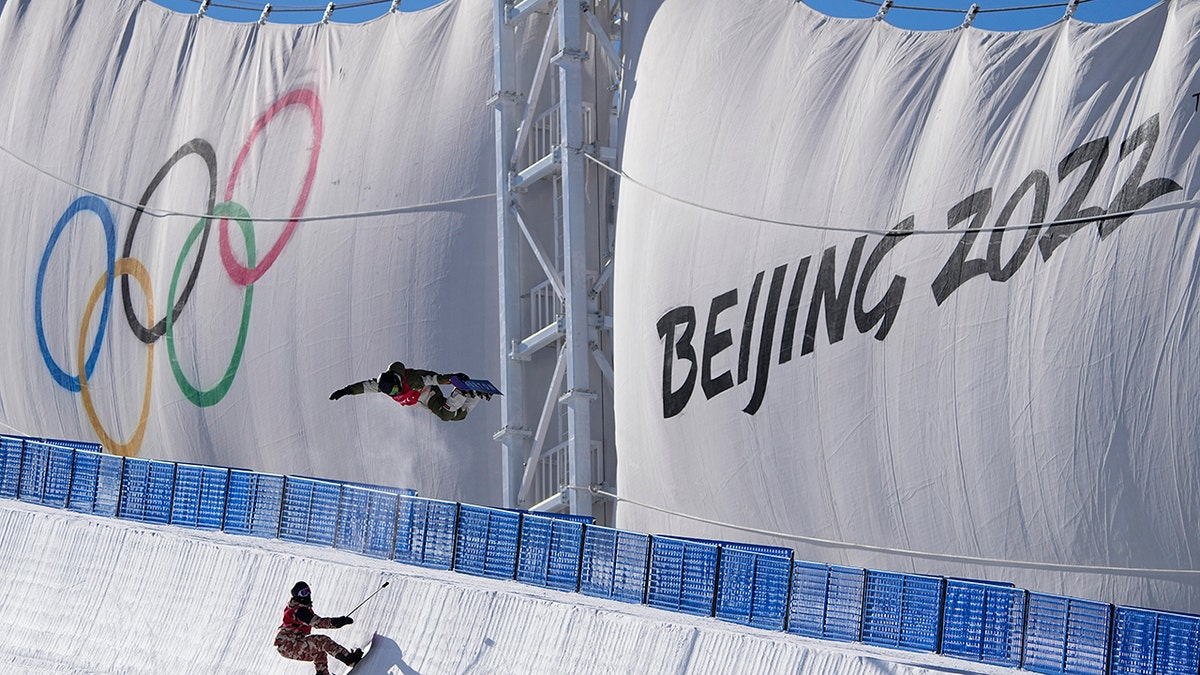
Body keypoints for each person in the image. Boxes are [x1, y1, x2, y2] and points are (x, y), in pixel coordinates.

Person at [329, 361, 490, 422]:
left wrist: (454, 378)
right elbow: (363, 387)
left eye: (394, 388)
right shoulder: (382, 385)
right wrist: (345, 391)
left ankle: (461, 392)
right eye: (391, 392)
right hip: (420, 403)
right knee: (458, 416)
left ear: (398, 380)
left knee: (445, 415)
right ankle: (473, 394)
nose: (395, 392)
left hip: (428, 395)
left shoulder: (412, 379)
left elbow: (435, 378)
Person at [274, 581, 363, 675]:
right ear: (298, 596)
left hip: (291, 643)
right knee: (322, 641)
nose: (307, 594)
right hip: (288, 645)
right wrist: (336, 622)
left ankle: (322, 673)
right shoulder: (300, 611)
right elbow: (317, 622)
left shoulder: (301, 607)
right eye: (304, 593)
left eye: (308, 591)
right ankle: (349, 659)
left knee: (318, 650)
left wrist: (337, 622)